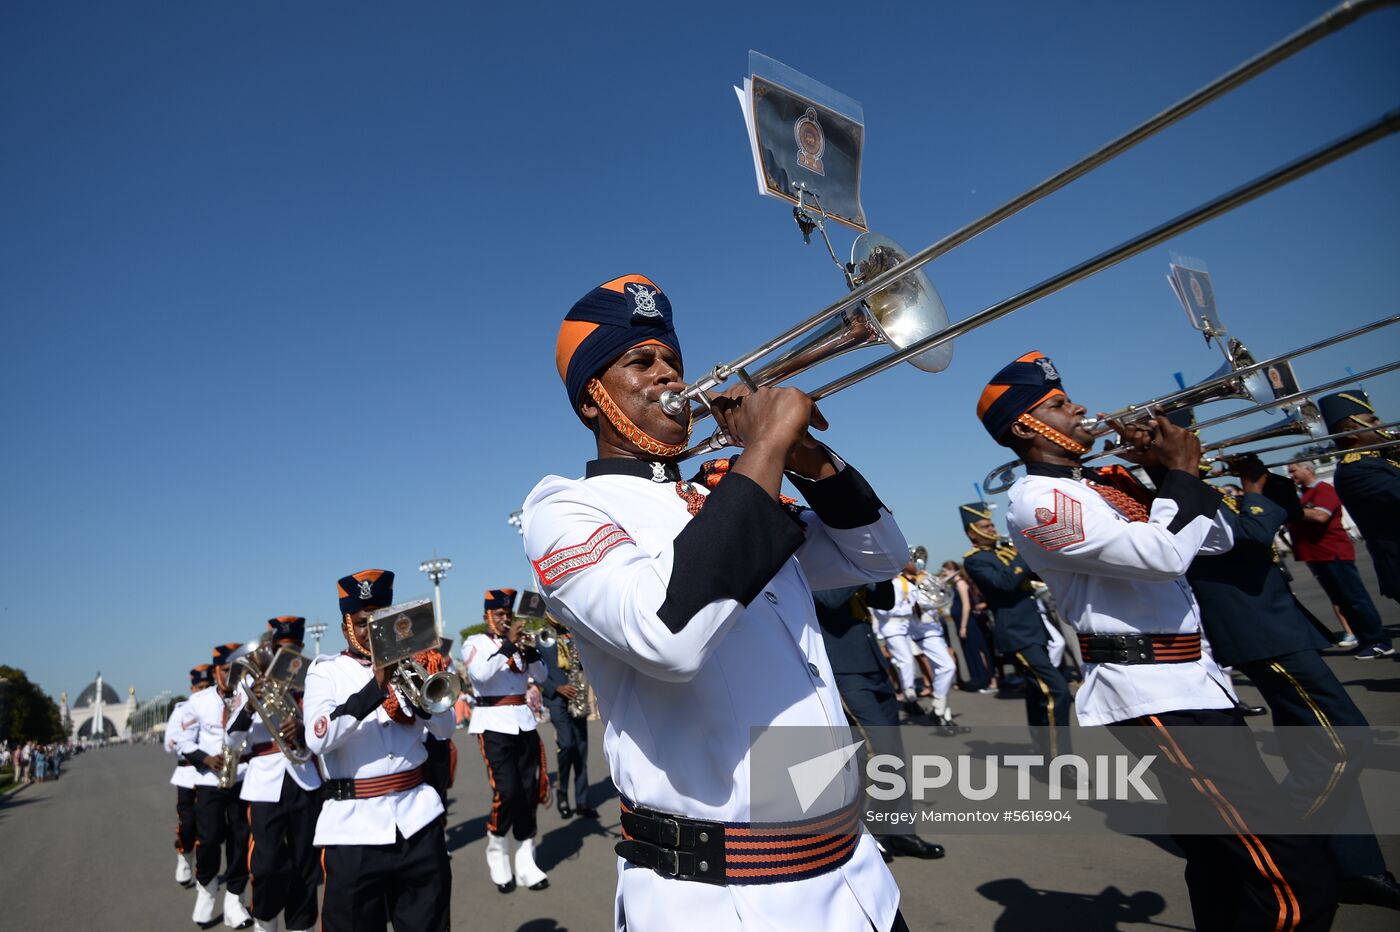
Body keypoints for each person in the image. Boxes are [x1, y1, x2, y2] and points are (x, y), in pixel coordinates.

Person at [522, 274, 909, 931]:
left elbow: (878, 555)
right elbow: (667, 638)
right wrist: (761, 451)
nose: (668, 373)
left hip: (855, 881)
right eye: (639, 362)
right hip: (724, 900)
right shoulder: (566, 509)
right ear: (593, 400)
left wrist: (806, 458)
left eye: (671, 357)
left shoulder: (720, 495)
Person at [984, 349, 1335, 931]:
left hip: (1194, 683)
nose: (1080, 410)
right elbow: (1162, 556)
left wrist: (1158, 475)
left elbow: (1219, 540)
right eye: (1060, 404)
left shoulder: (1101, 484)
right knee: (1289, 868)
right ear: (1026, 426)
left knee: (1220, 856)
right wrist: (1179, 477)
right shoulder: (1036, 502)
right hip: (1150, 691)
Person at [1189, 454, 1400, 910]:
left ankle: (1356, 865)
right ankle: (1275, 849)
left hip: (1277, 624)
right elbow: (1251, 534)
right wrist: (1253, 490)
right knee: (1344, 741)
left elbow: (1282, 513)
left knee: (1315, 747)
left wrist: (1266, 480)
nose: (1198, 446)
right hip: (1257, 631)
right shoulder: (1176, 493)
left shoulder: (1200, 487)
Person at [303, 569, 455, 932]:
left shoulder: (412, 663)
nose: (370, 630)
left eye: (378, 621)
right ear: (345, 628)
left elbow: (445, 729)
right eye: (360, 622)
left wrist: (421, 695)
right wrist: (377, 686)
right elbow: (317, 738)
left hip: (418, 821)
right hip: (354, 832)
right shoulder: (327, 673)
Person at [812, 580, 945, 861]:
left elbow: (884, 599)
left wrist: (878, 567)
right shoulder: (814, 565)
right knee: (879, 753)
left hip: (872, 664)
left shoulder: (845, 569)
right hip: (843, 670)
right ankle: (866, 834)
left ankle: (901, 832)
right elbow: (830, 598)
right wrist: (854, 567)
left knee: (895, 751)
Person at [225, 617, 322, 932]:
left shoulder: (313, 681)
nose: (285, 656)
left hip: (304, 778)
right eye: (280, 650)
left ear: (300, 650)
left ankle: (301, 925)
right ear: (270, 651)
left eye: (292, 650)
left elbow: (326, 729)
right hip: (264, 783)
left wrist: (305, 729)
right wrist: (251, 705)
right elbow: (230, 740)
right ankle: (265, 919)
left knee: (306, 864)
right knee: (266, 864)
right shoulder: (248, 688)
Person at [959, 501, 1072, 759]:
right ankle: (1062, 760)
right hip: (1016, 634)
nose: (992, 528)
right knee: (1057, 690)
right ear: (972, 532)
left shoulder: (1004, 552)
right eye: (985, 525)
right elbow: (1005, 583)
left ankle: (1044, 751)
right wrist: (1023, 551)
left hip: (1033, 629)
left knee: (1037, 693)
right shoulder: (976, 560)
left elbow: (1032, 577)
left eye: (991, 523)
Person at [462, 588, 552, 893]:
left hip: (524, 722)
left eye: (507, 613)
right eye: (499, 614)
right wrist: (508, 645)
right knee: (508, 791)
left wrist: (531, 652)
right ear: (487, 616)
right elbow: (481, 673)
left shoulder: (518, 645)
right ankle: (497, 850)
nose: (504, 618)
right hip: (492, 725)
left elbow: (541, 676)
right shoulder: (474, 643)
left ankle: (527, 860)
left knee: (528, 792)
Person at [177, 642, 255, 928]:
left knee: (240, 839)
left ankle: (235, 899)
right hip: (210, 780)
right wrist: (205, 758)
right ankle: (207, 889)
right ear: (215, 671)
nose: (232, 675)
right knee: (209, 839)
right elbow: (183, 741)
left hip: (243, 776)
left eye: (238, 669)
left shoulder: (249, 695)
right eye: (226, 670)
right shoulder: (197, 702)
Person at [1284, 457, 1391, 658]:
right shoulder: (1305, 494)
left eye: (1294, 471)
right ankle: (1365, 638)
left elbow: (1320, 516)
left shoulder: (1323, 489)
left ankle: (1378, 640)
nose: (1291, 475)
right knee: (1342, 600)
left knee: (1355, 598)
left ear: (1307, 469)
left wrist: (1291, 509)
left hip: (1332, 552)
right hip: (1318, 555)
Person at [1320, 389, 1400, 619]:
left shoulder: (1381, 461)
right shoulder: (1355, 470)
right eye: (1373, 421)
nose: (1381, 424)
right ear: (1351, 432)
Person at [537, 616, 599, 820]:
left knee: (581, 749)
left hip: (576, 696)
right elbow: (536, 673)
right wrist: (556, 687)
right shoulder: (540, 637)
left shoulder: (571, 635)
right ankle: (562, 792)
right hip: (556, 699)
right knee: (568, 745)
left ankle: (582, 801)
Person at [165, 665, 212, 888]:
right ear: (192, 688)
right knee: (187, 825)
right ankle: (184, 855)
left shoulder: (217, 705)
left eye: (207, 686)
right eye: (200, 687)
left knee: (209, 830)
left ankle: (205, 875)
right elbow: (170, 743)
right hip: (187, 775)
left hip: (211, 775)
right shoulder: (182, 710)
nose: (204, 690)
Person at [907, 546, 961, 728]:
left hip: (935, 628)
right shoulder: (904, 582)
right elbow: (911, 606)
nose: (918, 563)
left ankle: (944, 715)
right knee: (948, 667)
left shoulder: (923, 577)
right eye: (912, 560)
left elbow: (939, 596)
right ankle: (938, 708)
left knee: (942, 670)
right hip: (923, 631)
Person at [941, 561, 995, 692]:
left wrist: (964, 626)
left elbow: (966, 605)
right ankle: (977, 678)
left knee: (977, 649)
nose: (944, 573)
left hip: (968, 622)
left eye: (946, 571)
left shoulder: (961, 583)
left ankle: (987, 679)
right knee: (968, 650)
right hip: (959, 621)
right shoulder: (952, 584)